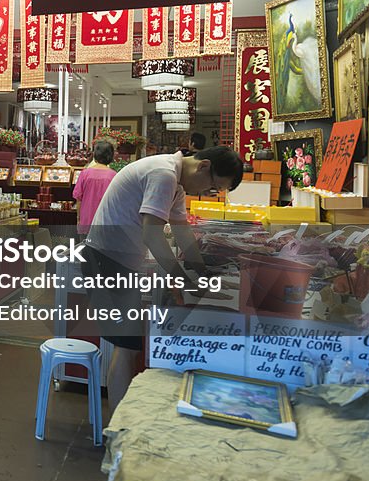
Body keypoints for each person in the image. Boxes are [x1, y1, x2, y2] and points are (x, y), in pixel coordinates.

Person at [83, 145, 244, 412]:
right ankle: (118, 429)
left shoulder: (176, 183)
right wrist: (184, 280)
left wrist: (204, 275)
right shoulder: (164, 174)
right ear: (203, 166)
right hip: (107, 263)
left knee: (130, 346)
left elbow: (182, 233)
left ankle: (121, 420)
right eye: (213, 187)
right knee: (127, 348)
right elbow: (153, 235)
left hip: (120, 263)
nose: (208, 193)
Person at [72, 140, 116, 235]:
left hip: (86, 222)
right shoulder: (113, 176)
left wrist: (78, 219)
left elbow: (78, 199)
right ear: (111, 156)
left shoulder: (85, 173)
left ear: (95, 155)